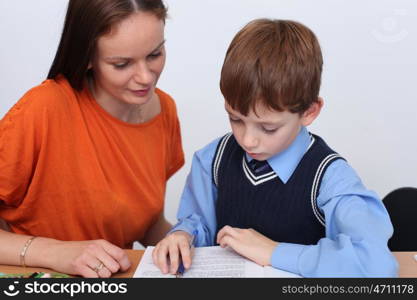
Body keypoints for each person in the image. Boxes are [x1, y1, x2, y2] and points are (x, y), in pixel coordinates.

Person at [152, 19, 398, 277]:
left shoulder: (331, 178)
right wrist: (182, 235)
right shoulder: (211, 160)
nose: (247, 140)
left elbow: (376, 264)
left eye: (268, 128)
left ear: (309, 112)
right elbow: (198, 223)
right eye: (235, 119)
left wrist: (273, 252)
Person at [0, 0, 184, 278]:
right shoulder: (42, 110)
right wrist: (55, 252)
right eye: (121, 64)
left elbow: (145, 222)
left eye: (155, 54)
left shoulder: (165, 111)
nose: (146, 77)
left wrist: (190, 242)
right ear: (86, 57)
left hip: (111, 280)